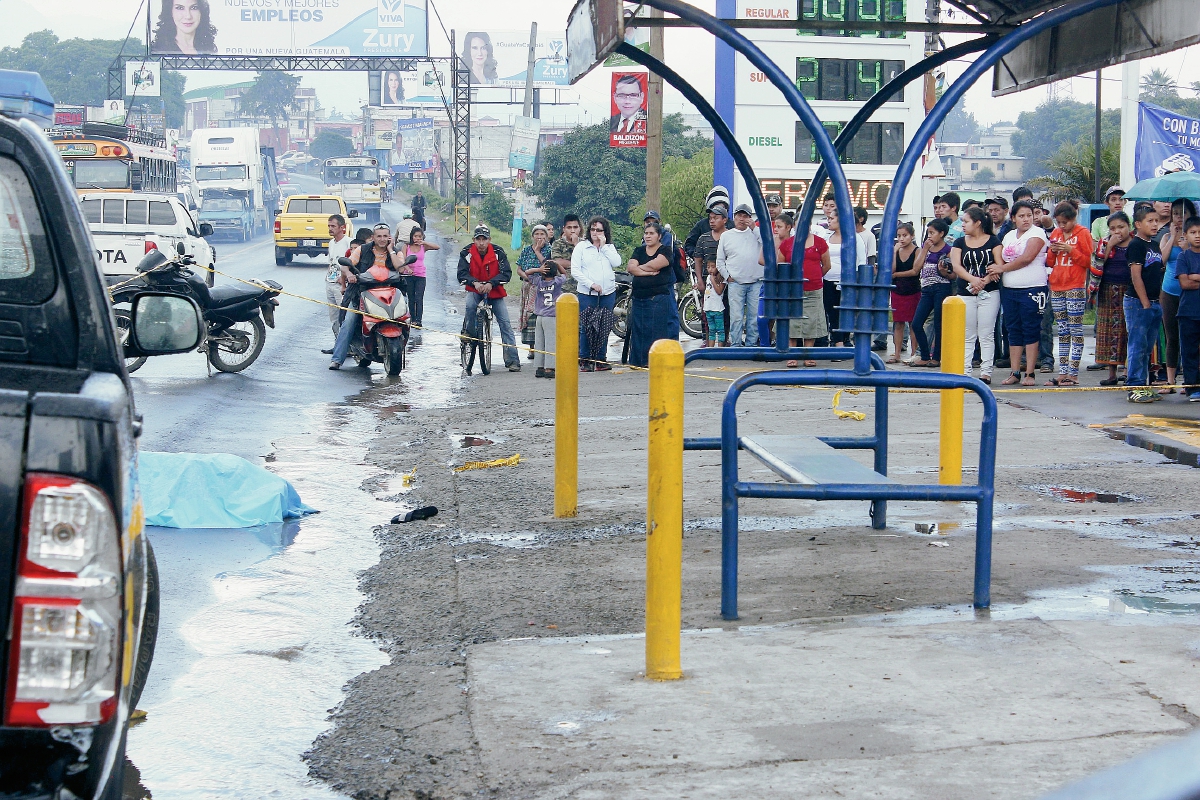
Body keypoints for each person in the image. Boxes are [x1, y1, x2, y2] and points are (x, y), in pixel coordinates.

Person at [991, 200, 1049, 386]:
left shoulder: (1037, 233)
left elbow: (1027, 258)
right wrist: (999, 269)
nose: (1026, 219)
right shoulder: (1008, 236)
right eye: (1021, 216)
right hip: (1010, 289)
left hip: (1032, 288)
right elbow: (1001, 257)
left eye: (1029, 215)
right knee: (1013, 329)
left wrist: (1001, 268)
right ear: (1013, 218)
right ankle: (1015, 371)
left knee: (1031, 329)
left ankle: (1030, 373)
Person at [457, 224, 521, 372]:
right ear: (474, 240)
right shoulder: (466, 252)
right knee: (469, 306)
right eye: (478, 239)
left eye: (484, 239)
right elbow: (461, 274)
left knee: (505, 323)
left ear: (489, 240)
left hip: (495, 290)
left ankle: (512, 360)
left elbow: (506, 273)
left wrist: (492, 283)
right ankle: (470, 334)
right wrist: (475, 283)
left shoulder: (498, 252)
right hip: (475, 289)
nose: (481, 243)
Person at [950, 207, 1003, 382]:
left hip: (989, 292)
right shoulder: (959, 243)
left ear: (978, 223)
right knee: (968, 334)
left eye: (966, 221)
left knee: (986, 333)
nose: (963, 225)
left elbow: (999, 265)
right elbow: (957, 267)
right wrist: (973, 280)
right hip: (966, 293)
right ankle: (965, 371)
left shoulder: (993, 241)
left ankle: (986, 371)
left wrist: (984, 281)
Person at [330, 223, 394, 370]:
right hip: (361, 293)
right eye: (379, 236)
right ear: (373, 237)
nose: (382, 239)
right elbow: (345, 265)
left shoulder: (393, 251)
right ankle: (337, 359)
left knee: (404, 316)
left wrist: (393, 251)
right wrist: (350, 274)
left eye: (385, 236)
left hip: (387, 293)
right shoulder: (362, 249)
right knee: (349, 321)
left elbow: (402, 266)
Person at [1046, 201, 1094, 385]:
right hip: (1057, 285)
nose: (1061, 226)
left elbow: (1088, 261)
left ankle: (1073, 373)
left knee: (1075, 329)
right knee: (1063, 330)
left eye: (1065, 222)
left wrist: (1070, 250)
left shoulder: (1083, 233)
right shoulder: (1057, 233)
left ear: (1074, 218)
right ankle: (1063, 371)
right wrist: (1052, 250)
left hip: (1075, 285)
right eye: (1059, 222)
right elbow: (1050, 262)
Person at [1124, 205, 1166, 403]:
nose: (1155, 224)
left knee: (1148, 348)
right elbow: (1136, 276)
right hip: (1138, 303)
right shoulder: (1136, 245)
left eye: (1156, 221)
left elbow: (1158, 268)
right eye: (1150, 221)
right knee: (1137, 345)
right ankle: (1134, 386)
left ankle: (1145, 384)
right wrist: (1145, 303)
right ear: (1138, 224)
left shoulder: (1154, 244)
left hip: (1155, 302)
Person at [1156, 199, 1198, 393]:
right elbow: (1161, 261)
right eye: (1176, 215)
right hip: (1169, 291)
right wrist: (1172, 237)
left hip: (1190, 294)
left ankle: (1190, 380)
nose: (1180, 218)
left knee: (1190, 338)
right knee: (1171, 337)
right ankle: (1170, 380)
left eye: (1184, 214)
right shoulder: (1166, 236)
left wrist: (1185, 248)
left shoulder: (1194, 238)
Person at [626, 221, 681, 367]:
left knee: (656, 332)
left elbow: (656, 264)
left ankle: (655, 362)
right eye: (646, 233)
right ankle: (638, 362)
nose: (648, 236)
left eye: (651, 233)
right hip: (639, 298)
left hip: (658, 299)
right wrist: (648, 272)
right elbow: (630, 268)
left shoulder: (665, 251)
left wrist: (640, 269)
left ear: (659, 236)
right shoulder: (638, 250)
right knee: (639, 332)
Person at [572, 216, 622, 371]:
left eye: (599, 230)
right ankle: (585, 359)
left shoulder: (609, 247)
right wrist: (591, 284)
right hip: (588, 293)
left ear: (604, 232)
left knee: (604, 326)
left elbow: (617, 262)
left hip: (608, 293)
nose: (595, 233)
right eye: (593, 229)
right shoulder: (582, 247)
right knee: (587, 326)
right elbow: (575, 270)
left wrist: (604, 246)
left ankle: (600, 358)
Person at [1093, 211, 1133, 385]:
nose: (1118, 231)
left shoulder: (1135, 244)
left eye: (1121, 227)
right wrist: (1109, 247)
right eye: (1113, 228)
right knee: (1108, 332)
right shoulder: (1105, 244)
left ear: (1129, 227)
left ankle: (1127, 370)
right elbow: (1096, 264)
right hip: (1108, 290)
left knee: (1127, 331)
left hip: (1129, 291)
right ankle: (1111, 374)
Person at [787, 216, 832, 367]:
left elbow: (826, 265)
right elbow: (781, 265)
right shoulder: (787, 244)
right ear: (794, 226)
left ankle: (808, 355)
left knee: (811, 323)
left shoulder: (820, 242)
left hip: (814, 290)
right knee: (792, 322)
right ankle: (792, 355)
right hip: (793, 291)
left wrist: (815, 277)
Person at [717, 204, 764, 347]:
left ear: (750, 218)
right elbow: (720, 260)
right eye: (739, 216)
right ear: (734, 217)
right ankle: (736, 344)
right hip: (735, 282)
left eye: (745, 216)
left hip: (756, 281)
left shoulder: (757, 233)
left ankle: (751, 344)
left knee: (754, 317)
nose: (741, 219)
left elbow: (767, 244)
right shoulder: (726, 235)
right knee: (736, 317)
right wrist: (727, 276)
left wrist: (754, 228)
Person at [909, 219, 954, 367]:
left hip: (942, 287)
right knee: (916, 323)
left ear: (941, 234)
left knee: (938, 323)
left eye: (933, 233)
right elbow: (916, 268)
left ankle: (936, 357)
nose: (929, 236)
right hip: (927, 289)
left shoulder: (948, 250)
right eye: (928, 233)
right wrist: (924, 250)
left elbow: (953, 274)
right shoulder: (925, 248)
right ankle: (924, 354)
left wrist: (944, 272)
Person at [823, 207, 868, 349]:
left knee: (846, 312)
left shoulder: (854, 237)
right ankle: (837, 343)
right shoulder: (826, 237)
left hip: (847, 282)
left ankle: (844, 340)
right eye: (828, 218)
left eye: (832, 218)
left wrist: (856, 280)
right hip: (828, 280)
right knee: (832, 313)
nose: (828, 221)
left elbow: (861, 260)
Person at [694, 203, 729, 344]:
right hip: (708, 283)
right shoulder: (703, 238)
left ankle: (724, 340)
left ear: (725, 219)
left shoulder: (730, 236)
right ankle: (707, 340)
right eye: (710, 218)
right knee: (707, 313)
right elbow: (698, 260)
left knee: (725, 313)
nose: (712, 221)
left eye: (715, 218)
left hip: (725, 282)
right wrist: (700, 281)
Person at [516, 225, 553, 357]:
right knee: (529, 316)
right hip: (528, 287)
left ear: (546, 236)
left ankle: (542, 348)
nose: (539, 237)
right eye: (537, 234)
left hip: (544, 287)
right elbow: (519, 268)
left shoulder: (550, 250)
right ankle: (532, 348)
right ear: (533, 236)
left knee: (542, 317)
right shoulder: (526, 250)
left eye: (542, 234)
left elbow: (549, 268)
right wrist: (527, 277)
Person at [1175, 216, 1200, 402]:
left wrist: (1195, 276)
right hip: (1188, 311)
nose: (1197, 236)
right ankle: (1192, 388)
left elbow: (1191, 279)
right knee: (1189, 350)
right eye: (1193, 232)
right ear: (1186, 235)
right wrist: (1190, 278)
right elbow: (1184, 283)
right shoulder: (1183, 256)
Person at [889, 222, 920, 364]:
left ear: (912, 236)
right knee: (898, 322)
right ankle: (897, 353)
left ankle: (914, 352)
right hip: (898, 290)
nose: (901, 239)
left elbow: (915, 271)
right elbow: (892, 269)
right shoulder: (896, 251)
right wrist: (894, 252)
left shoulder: (917, 251)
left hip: (913, 290)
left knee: (913, 323)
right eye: (899, 236)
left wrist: (897, 275)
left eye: (905, 235)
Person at [529, 261, 567, 379]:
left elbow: (527, 273)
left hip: (539, 316)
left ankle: (539, 367)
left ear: (543, 273)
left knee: (539, 341)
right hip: (551, 316)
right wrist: (557, 264)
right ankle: (549, 367)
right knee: (551, 342)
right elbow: (564, 274)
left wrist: (538, 269)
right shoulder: (557, 282)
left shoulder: (538, 282)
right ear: (555, 272)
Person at [322, 214, 352, 352]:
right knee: (334, 317)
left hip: (341, 286)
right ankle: (338, 346)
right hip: (330, 283)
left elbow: (352, 263)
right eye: (329, 226)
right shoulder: (331, 243)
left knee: (343, 317)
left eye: (333, 226)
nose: (330, 229)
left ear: (342, 227)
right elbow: (331, 261)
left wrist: (344, 278)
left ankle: (348, 347)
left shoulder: (348, 243)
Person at [401, 227, 438, 330]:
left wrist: (424, 243)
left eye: (419, 236)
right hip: (408, 275)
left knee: (419, 298)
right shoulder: (406, 246)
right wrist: (407, 268)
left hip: (421, 275)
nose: (417, 238)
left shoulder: (423, 247)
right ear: (412, 237)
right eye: (415, 236)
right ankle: (412, 319)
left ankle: (419, 320)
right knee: (411, 298)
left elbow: (437, 247)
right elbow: (403, 260)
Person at [151, 0, 218, 54]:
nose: (188, 16)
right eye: (180, 8)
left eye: (194, 8)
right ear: (170, 12)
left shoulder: (209, 49)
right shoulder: (158, 50)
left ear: (202, 12)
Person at [684, 186, 731, 258]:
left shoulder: (732, 226)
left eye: (722, 208)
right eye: (715, 209)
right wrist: (698, 257)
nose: (713, 221)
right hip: (707, 267)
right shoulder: (701, 225)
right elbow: (689, 244)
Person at [552, 214, 583, 294]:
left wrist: (576, 244)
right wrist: (579, 264)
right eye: (569, 228)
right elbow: (557, 262)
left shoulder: (585, 244)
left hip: (582, 288)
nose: (572, 231)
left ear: (579, 228)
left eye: (575, 227)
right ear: (564, 229)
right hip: (563, 288)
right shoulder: (557, 243)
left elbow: (589, 262)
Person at [703, 261, 726, 348]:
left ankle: (720, 350)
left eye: (713, 267)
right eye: (708, 267)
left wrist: (713, 281)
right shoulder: (708, 277)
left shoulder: (722, 279)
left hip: (717, 309)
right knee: (711, 330)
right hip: (708, 308)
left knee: (720, 330)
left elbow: (719, 291)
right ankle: (710, 349)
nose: (710, 269)